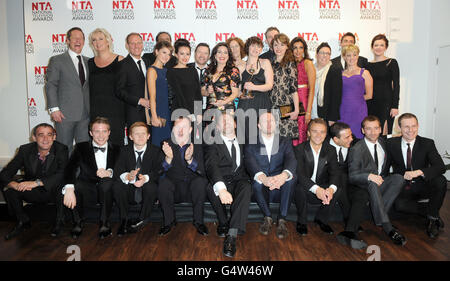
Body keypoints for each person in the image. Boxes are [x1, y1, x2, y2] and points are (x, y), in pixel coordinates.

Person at [346, 115, 407, 247]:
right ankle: (387, 227)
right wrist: (368, 176)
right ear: (363, 130)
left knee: (398, 178)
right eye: (369, 129)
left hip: (380, 183)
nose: (373, 132)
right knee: (373, 182)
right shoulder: (357, 149)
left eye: (376, 128)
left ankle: (378, 213)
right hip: (364, 185)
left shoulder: (383, 143)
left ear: (380, 129)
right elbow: (352, 175)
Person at [1, 124, 68, 240]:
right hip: (32, 190)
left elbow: (62, 174)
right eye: (41, 135)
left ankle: (60, 222)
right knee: (10, 189)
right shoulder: (25, 150)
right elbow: (5, 173)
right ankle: (23, 221)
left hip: (52, 190)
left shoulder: (62, 149)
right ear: (34, 137)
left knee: (62, 186)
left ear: (54, 137)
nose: (45, 139)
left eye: (49, 135)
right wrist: (14, 184)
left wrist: (37, 182)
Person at [387, 113, 447, 238]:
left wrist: (419, 172)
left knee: (440, 180)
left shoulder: (427, 143)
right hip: (403, 186)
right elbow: (385, 167)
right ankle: (433, 211)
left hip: (422, 184)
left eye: (414, 126)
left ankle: (432, 219)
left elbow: (440, 167)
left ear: (418, 126)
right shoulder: (391, 143)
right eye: (406, 127)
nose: (411, 130)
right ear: (399, 128)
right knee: (399, 206)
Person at [61, 117, 121, 239]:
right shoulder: (80, 147)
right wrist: (68, 188)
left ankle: (105, 223)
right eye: (97, 131)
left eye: (104, 131)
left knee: (106, 183)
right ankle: (78, 222)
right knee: (76, 185)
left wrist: (110, 172)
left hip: (108, 189)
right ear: (91, 133)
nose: (100, 135)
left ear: (109, 132)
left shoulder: (118, 148)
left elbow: (123, 169)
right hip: (88, 187)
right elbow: (70, 168)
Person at [204, 112, 252, 258]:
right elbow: (211, 165)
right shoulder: (212, 142)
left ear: (236, 124)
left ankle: (231, 235)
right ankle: (223, 221)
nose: (226, 123)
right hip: (222, 179)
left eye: (229, 120)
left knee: (246, 187)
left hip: (239, 180)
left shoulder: (244, 141)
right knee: (210, 188)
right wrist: (222, 188)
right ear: (217, 127)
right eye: (222, 121)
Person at [245, 112, 296, 239]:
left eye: (271, 121)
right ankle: (267, 217)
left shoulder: (285, 141)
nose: (268, 124)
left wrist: (283, 176)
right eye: (264, 121)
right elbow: (249, 162)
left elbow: (291, 160)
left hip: (279, 180)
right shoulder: (250, 142)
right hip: (262, 180)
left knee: (291, 179)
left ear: (276, 123)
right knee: (257, 183)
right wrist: (263, 178)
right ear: (259, 125)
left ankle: (282, 219)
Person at [159, 117, 209, 236]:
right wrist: (168, 159)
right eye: (177, 128)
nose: (180, 131)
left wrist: (190, 160)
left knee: (200, 182)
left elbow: (204, 171)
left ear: (191, 129)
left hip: (193, 189)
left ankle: (199, 222)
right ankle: (169, 222)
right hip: (174, 188)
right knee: (163, 183)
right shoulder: (166, 144)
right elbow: (158, 171)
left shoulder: (199, 144)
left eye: (184, 128)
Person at [112, 122, 162, 236]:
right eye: (136, 134)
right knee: (118, 185)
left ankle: (142, 219)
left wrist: (145, 178)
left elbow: (159, 170)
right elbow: (118, 170)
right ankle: (124, 220)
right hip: (129, 189)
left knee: (151, 186)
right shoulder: (123, 150)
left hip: (146, 190)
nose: (140, 137)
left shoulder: (156, 151)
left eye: (143, 134)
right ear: (130, 137)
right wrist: (127, 176)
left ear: (149, 136)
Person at [293, 118, 340, 236]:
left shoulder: (331, 150)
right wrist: (317, 189)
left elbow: (335, 173)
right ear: (308, 133)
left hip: (322, 185)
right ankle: (302, 222)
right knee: (299, 188)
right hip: (305, 186)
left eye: (322, 132)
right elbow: (300, 175)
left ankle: (321, 219)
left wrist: (330, 189)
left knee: (337, 188)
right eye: (315, 131)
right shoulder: (299, 149)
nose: (319, 135)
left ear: (326, 134)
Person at [45, 27, 90, 152]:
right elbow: (51, 85)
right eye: (74, 38)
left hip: (85, 115)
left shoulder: (88, 61)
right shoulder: (57, 60)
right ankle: (65, 173)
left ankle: (81, 173)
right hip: (64, 115)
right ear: (67, 41)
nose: (78, 40)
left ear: (84, 41)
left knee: (84, 150)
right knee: (64, 149)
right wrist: (54, 109)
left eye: (80, 38)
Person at [330, 122, 370, 249]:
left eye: (351, 135)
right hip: (331, 183)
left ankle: (349, 230)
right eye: (347, 137)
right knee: (340, 180)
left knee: (362, 193)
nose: (351, 139)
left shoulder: (356, 144)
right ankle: (351, 224)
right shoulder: (324, 147)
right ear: (336, 139)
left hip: (350, 182)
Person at [88, 28, 125, 146]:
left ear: (108, 41)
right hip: (95, 110)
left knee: (116, 144)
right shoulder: (89, 63)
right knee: (97, 144)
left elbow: (124, 88)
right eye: (94, 40)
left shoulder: (120, 60)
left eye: (100, 38)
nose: (97, 42)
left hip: (116, 111)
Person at [367, 34, 400, 135]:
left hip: (386, 103)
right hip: (371, 103)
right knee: (372, 131)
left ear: (386, 47)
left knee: (385, 132)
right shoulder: (367, 65)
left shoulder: (391, 62)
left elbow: (396, 85)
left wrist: (395, 106)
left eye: (381, 45)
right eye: (376, 45)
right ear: (372, 47)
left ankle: (385, 151)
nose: (378, 48)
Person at [115, 33, 150, 127]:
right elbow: (119, 91)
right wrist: (139, 101)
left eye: (139, 43)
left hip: (151, 113)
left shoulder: (148, 62)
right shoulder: (122, 65)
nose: (136, 46)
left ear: (142, 45)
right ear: (127, 45)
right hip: (134, 113)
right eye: (132, 43)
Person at [339, 44, 373, 140]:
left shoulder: (365, 73)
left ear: (358, 56)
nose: (351, 58)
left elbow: (369, 95)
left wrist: (355, 100)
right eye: (348, 55)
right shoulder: (340, 74)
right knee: (343, 136)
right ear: (344, 57)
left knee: (358, 136)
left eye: (354, 55)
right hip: (343, 110)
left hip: (358, 111)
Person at [270, 33, 299, 140]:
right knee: (273, 140)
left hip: (286, 107)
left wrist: (296, 110)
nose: (278, 48)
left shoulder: (290, 63)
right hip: (272, 106)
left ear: (287, 46)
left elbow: (294, 88)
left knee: (285, 141)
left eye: (282, 45)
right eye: (276, 45)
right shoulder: (270, 63)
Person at [166, 39, 203, 122]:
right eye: (182, 54)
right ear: (176, 54)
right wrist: (187, 114)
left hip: (194, 114)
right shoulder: (171, 72)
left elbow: (197, 93)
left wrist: (198, 112)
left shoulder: (192, 70)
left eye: (187, 54)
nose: (185, 57)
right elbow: (177, 94)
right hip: (179, 112)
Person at [290, 37, 316, 145]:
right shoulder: (289, 63)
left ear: (304, 49)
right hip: (290, 99)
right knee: (291, 130)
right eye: (295, 48)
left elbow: (312, 89)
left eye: (301, 47)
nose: (298, 51)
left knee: (301, 131)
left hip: (303, 100)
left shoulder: (307, 63)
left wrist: (308, 112)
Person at [147, 41, 173, 147]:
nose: (166, 57)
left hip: (168, 111)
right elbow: (152, 96)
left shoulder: (166, 70)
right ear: (156, 51)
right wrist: (154, 116)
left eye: (169, 54)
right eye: (164, 52)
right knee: (159, 144)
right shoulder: (152, 70)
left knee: (168, 144)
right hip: (159, 112)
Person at [202, 42, 241, 112]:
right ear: (215, 55)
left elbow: (235, 93)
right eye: (219, 52)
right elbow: (202, 91)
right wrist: (207, 91)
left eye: (225, 53)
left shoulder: (233, 71)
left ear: (228, 56)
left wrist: (223, 102)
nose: (222, 55)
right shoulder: (208, 70)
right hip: (210, 109)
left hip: (226, 108)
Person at [312, 42, 342, 126]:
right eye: (322, 53)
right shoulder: (310, 69)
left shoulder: (334, 70)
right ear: (317, 55)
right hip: (311, 111)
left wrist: (332, 118)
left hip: (326, 114)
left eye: (327, 53)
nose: (325, 55)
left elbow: (336, 97)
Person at [187, 43, 211, 110]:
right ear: (194, 54)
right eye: (199, 52)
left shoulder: (213, 70)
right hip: (190, 110)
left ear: (209, 56)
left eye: (205, 53)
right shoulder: (186, 69)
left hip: (209, 111)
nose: (202, 55)